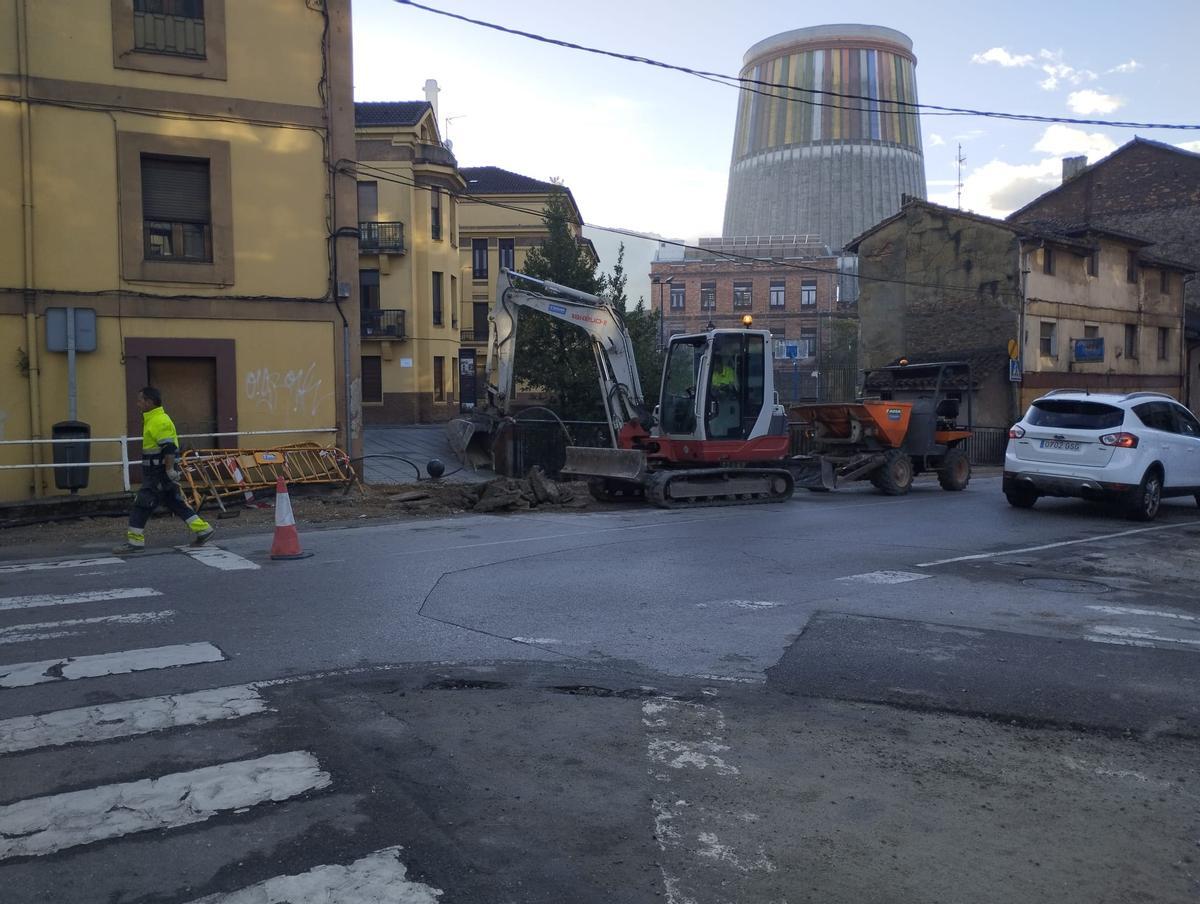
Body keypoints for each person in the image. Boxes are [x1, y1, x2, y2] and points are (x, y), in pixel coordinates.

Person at [114, 386, 214, 553]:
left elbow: (169, 448)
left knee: (141, 504)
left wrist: (168, 471)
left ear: (149, 402)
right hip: (159, 472)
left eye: (140, 400)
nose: (137, 404)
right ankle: (203, 530)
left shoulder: (159, 421)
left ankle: (135, 541)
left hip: (158, 474)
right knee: (175, 502)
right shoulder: (154, 419)